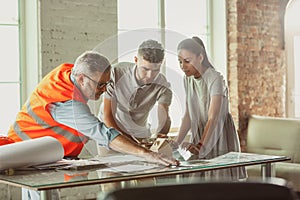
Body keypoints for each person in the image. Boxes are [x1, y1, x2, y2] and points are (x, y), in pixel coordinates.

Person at [172, 36, 246, 180]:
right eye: (180, 62)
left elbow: (214, 117)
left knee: (219, 186)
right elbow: (188, 115)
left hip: (218, 135)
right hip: (200, 134)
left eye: (187, 61)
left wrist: (201, 145)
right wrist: (176, 142)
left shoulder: (215, 78)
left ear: (200, 57)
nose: (182, 66)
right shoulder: (187, 79)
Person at [98, 39, 172, 145]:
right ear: (136, 60)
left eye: (156, 70)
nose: (150, 76)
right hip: (110, 132)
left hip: (140, 134)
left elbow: (164, 116)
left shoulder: (163, 85)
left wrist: (160, 135)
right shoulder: (115, 73)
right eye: (145, 69)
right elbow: (108, 116)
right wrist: (132, 143)